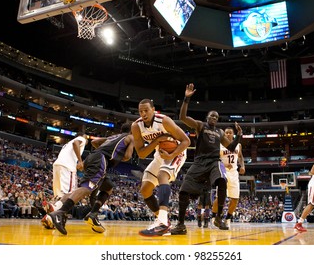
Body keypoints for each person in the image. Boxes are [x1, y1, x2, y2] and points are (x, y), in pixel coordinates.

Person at [171, 83, 242, 235]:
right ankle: (181, 224)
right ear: (207, 117)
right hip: (199, 163)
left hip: (214, 162)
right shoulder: (200, 126)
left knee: (222, 181)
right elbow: (182, 117)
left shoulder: (220, 132)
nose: (214, 117)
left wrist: (239, 136)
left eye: (216, 116)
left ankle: (218, 218)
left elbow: (231, 148)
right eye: (212, 115)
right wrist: (186, 99)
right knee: (183, 191)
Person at [48, 123, 135, 235]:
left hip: (93, 157)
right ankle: (60, 212)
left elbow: (94, 142)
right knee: (87, 187)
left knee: (108, 187)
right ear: (132, 131)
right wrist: (116, 155)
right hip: (100, 159)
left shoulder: (112, 137)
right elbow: (127, 156)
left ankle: (93, 214)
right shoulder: (131, 137)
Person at [131, 98, 190, 237]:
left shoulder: (164, 120)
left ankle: (162, 222)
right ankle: (164, 222)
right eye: (141, 111)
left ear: (153, 109)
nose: (143, 113)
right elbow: (141, 153)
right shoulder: (136, 126)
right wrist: (157, 141)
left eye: (146, 110)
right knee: (145, 189)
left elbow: (186, 141)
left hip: (177, 151)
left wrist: (172, 155)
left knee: (162, 176)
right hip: (160, 152)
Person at [42, 132, 88, 228]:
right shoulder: (81, 139)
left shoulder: (66, 145)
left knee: (61, 196)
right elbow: (76, 142)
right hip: (67, 167)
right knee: (71, 194)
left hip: (57, 166)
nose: (87, 140)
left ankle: (49, 219)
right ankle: (54, 207)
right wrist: (80, 161)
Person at [212, 128, 245, 228]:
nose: (228, 134)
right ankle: (214, 217)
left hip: (234, 173)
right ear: (224, 134)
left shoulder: (238, 145)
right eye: (226, 132)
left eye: (230, 133)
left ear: (233, 135)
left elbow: (240, 156)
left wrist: (242, 166)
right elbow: (215, 158)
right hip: (223, 172)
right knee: (219, 198)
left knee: (235, 199)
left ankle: (228, 218)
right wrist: (223, 165)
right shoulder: (220, 145)